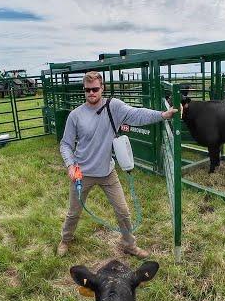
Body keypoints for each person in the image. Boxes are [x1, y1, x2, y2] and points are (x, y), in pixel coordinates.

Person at [58, 71, 178, 258]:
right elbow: (65, 144)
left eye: (95, 89)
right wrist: (70, 165)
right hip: (82, 173)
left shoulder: (113, 107)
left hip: (107, 172)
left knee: (123, 211)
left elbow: (137, 115)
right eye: (88, 90)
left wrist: (163, 115)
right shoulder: (75, 115)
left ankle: (129, 245)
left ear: (102, 88)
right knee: (74, 213)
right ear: (84, 90)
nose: (91, 93)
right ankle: (65, 240)